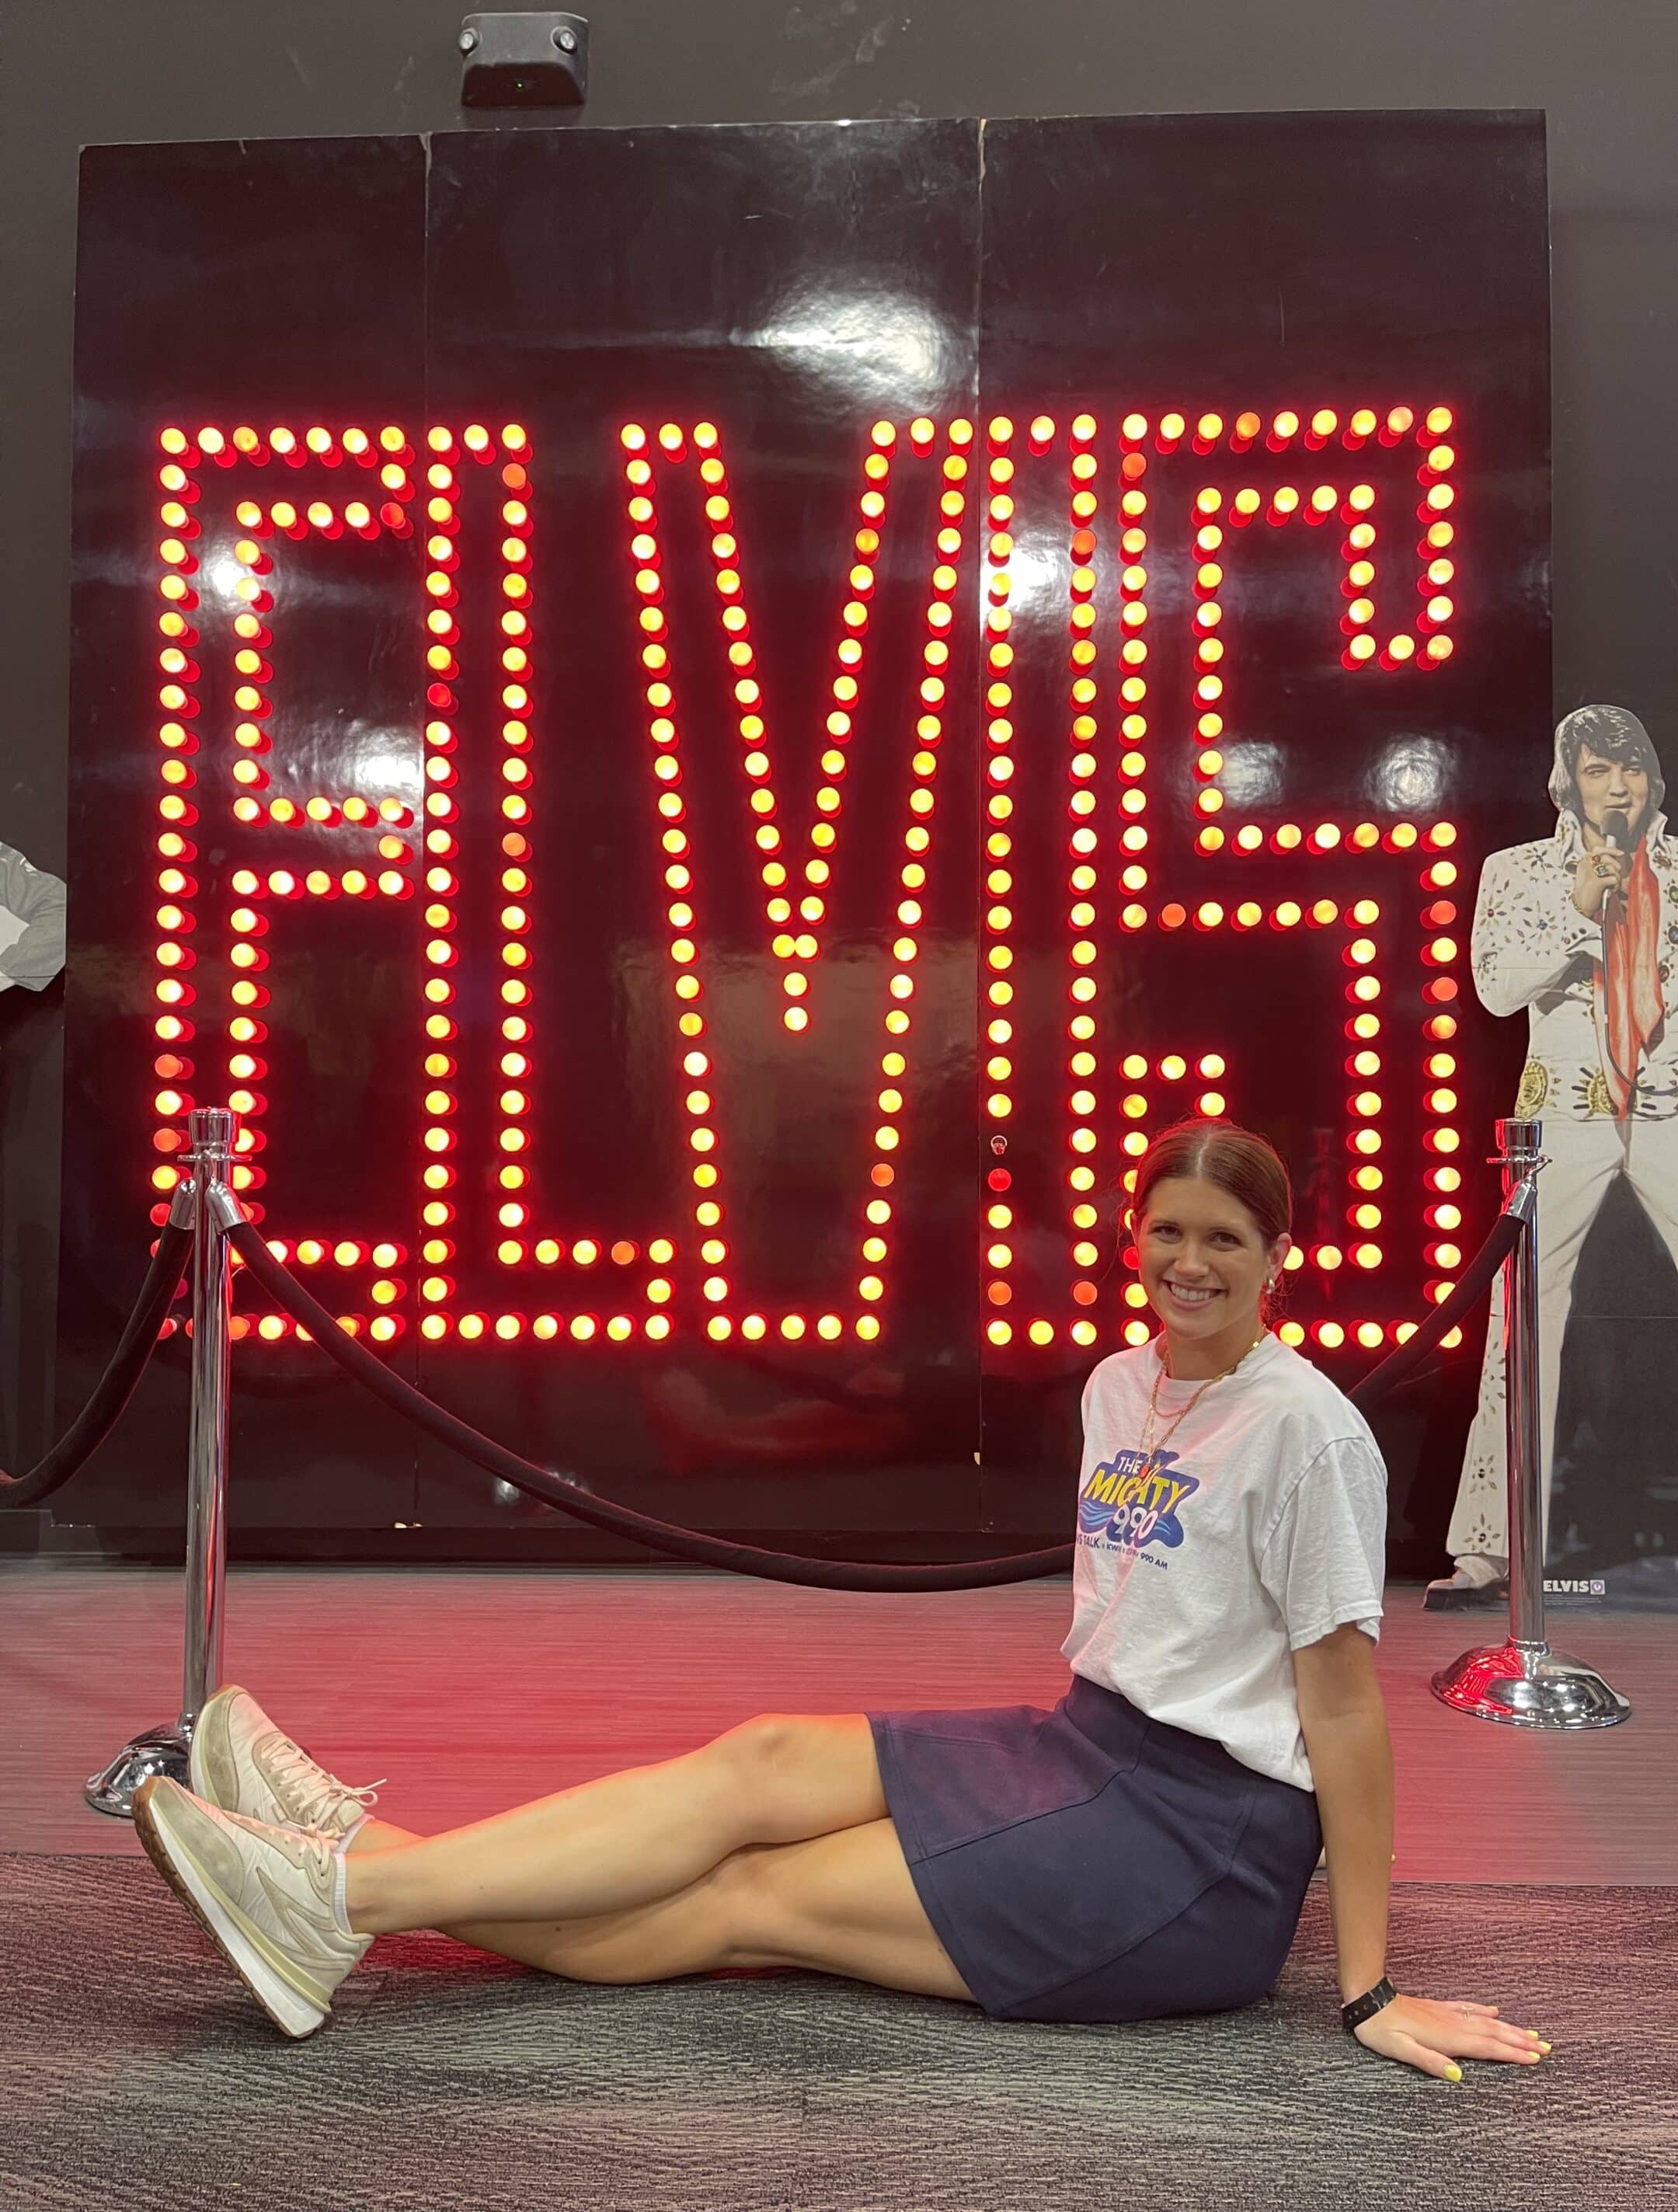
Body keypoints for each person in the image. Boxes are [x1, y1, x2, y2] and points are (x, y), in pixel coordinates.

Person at [131, 1120, 1547, 2081]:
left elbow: (1344, 1720)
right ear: (1133, 1238)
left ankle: (342, 1888)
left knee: (752, 1899)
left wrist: (1367, 1989)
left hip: (1196, 1849)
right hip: (1085, 1743)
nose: (1191, 1264)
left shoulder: (1307, 1433)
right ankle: (351, 1870)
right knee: (756, 1758)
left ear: (1279, 1255)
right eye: (1167, 1231)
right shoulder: (1123, 1385)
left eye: (1225, 1239)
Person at [1435, 703, 1678, 1599]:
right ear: (1567, 781)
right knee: (1519, 1328)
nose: (1617, 788)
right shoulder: (1520, 870)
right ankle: (1493, 1545)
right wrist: (1579, 917)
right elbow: (1495, 988)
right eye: (1597, 771)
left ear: (1653, 779)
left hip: (1669, 1106)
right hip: (1563, 1111)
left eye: (1631, 769)